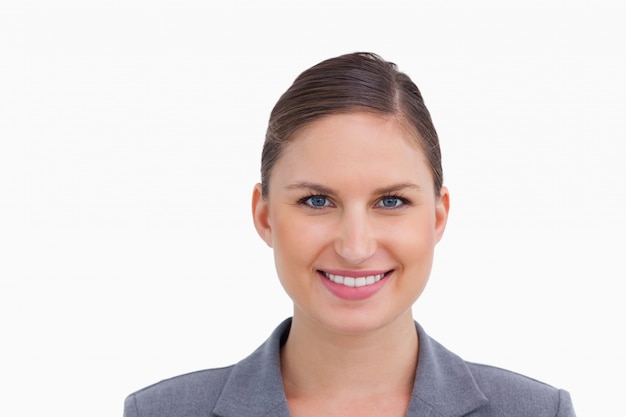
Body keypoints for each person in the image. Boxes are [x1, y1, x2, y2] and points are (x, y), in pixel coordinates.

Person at [123, 52, 576, 417]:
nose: (355, 247)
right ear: (264, 216)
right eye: (317, 201)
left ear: (438, 218)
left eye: (391, 201)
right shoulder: (160, 412)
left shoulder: (537, 411)